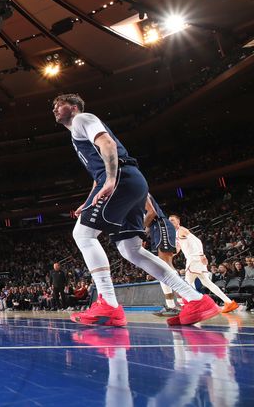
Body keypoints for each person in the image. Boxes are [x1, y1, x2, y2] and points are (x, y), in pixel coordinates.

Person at [52, 94, 218, 326]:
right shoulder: (76, 133)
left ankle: (108, 304)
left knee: (83, 234)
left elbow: (107, 144)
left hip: (120, 178)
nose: (54, 109)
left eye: (58, 105)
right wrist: (89, 201)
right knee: (131, 250)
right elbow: (96, 174)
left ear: (73, 106)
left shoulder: (82, 119)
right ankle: (196, 299)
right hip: (131, 182)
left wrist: (110, 179)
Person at [171, 214, 237, 313]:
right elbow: (179, 248)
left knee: (188, 283)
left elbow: (197, 241)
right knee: (206, 282)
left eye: (172, 220)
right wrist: (171, 255)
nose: (170, 222)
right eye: (169, 221)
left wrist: (202, 255)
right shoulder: (177, 233)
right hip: (194, 258)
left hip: (194, 258)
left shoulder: (181, 230)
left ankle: (193, 306)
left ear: (178, 221)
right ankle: (229, 302)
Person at [144, 194, 180, 317]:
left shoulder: (137, 189)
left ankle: (187, 301)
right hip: (154, 229)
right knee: (160, 269)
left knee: (167, 265)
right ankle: (171, 306)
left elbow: (152, 212)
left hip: (161, 225)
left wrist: (141, 229)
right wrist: (144, 233)